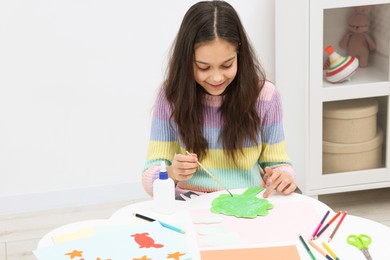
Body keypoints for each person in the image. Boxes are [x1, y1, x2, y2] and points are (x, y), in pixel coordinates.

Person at [142, 0, 297, 200]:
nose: (216, 78)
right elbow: (150, 175)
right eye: (203, 67)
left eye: (226, 65)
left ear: (240, 56)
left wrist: (284, 176)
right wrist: (170, 173)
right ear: (186, 60)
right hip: (189, 205)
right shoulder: (171, 96)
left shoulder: (265, 96)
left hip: (248, 202)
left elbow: (278, 164)